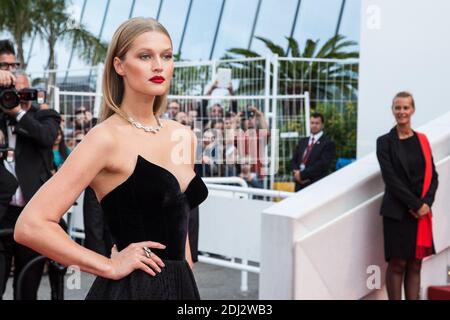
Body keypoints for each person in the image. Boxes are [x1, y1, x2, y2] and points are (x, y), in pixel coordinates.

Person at [14, 17, 208, 300]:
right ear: (119, 66)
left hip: (181, 289)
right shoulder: (105, 138)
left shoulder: (183, 136)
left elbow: (181, 222)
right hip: (134, 290)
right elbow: (31, 225)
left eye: (166, 56)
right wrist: (107, 264)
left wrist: (186, 277)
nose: (158, 66)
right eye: (145, 56)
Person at [0, 67, 61, 299]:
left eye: (23, 92)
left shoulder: (46, 116)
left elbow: (46, 137)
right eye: (11, 91)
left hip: (32, 213)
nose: (16, 96)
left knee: (27, 287)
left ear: (33, 93)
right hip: (3, 211)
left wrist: (19, 113)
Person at [376, 92, 438, 300]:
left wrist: (426, 204)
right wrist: (415, 205)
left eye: (405, 108)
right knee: (398, 263)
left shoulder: (422, 140)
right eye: (397, 108)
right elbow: (391, 179)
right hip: (397, 212)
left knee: (415, 263)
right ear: (392, 110)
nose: (401, 112)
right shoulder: (384, 142)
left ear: (412, 110)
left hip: (421, 212)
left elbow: (433, 176)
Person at [291, 112, 336, 192]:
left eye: (317, 123)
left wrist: (302, 175)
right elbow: (294, 159)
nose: (314, 125)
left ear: (322, 125)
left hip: (315, 186)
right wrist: (296, 173)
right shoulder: (303, 141)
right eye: (312, 123)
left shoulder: (328, 143)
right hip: (299, 185)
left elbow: (322, 165)